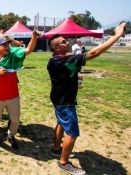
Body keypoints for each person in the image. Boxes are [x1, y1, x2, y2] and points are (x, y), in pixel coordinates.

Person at [47, 22, 126, 175]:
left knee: (61, 123)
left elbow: (66, 70)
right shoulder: (65, 61)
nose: (67, 42)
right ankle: (63, 162)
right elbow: (95, 53)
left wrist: (74, 75)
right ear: (55, 48)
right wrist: (117, 35)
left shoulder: (53, 60)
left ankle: (56, 149)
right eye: (63, 42)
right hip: (65, 101)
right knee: (72, 133)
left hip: (58, 99)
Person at [0, 31, 38, 150]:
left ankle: (11, 136)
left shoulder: (13, 54)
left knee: (15, 120)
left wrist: (34, 37)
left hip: (13, 95)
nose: (8, 47)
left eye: (8, 45)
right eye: (5, 45)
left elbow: (28, 50)